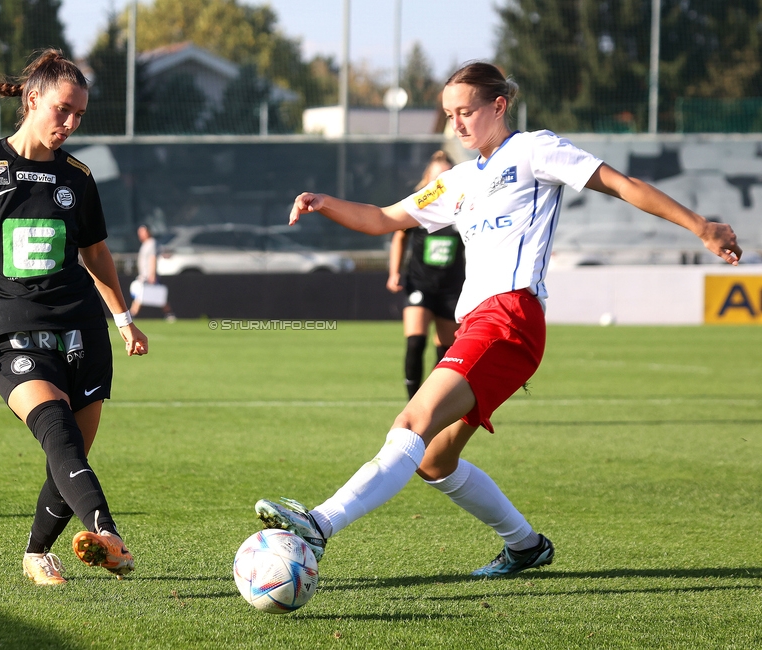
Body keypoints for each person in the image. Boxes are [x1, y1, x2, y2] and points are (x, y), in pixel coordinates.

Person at [255, 61, 741, 577]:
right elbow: (382, 219)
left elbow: (621, 184)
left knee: (411, 423)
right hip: (480, 326)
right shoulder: (459, 180)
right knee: (434, 460)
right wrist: (324, 202)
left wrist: (700, 225)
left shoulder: (534, 150)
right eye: (449, 114)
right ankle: (526, 546)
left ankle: (320, 525)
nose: (458, 124)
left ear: (499, 106)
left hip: (509, 318)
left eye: (466, 111)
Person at [0, 50, 149, 586]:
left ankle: (36, 553)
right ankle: (106, 532)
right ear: (31, 100)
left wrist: (123, 318)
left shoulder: (79, 178)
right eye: (62, 110)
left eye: (79, 115)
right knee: (58, 434)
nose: (69, 124)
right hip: (12, 334)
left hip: (83, 329)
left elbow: (96, 256)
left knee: (70, 454)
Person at [387, 150, 465, 399]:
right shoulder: (419, 206)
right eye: (436, 177)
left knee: (446, 352)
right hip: (420, 284)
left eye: (446, 176)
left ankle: (433, 402)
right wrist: (394, 272)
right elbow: (399, 236)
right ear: (428, 179)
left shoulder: (464, 208)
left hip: (452, 288)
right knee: (415, 342)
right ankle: (412, 402)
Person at [130, 224, 175, 321]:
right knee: (149, 295)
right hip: (144, 275)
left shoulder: (151, 243)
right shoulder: (145, 244)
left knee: (148, 295)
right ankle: (169, 314)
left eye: (143, 232)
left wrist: (152, 275)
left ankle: (132, 314)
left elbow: (152, 258)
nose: (141, 235)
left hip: (148, 275)